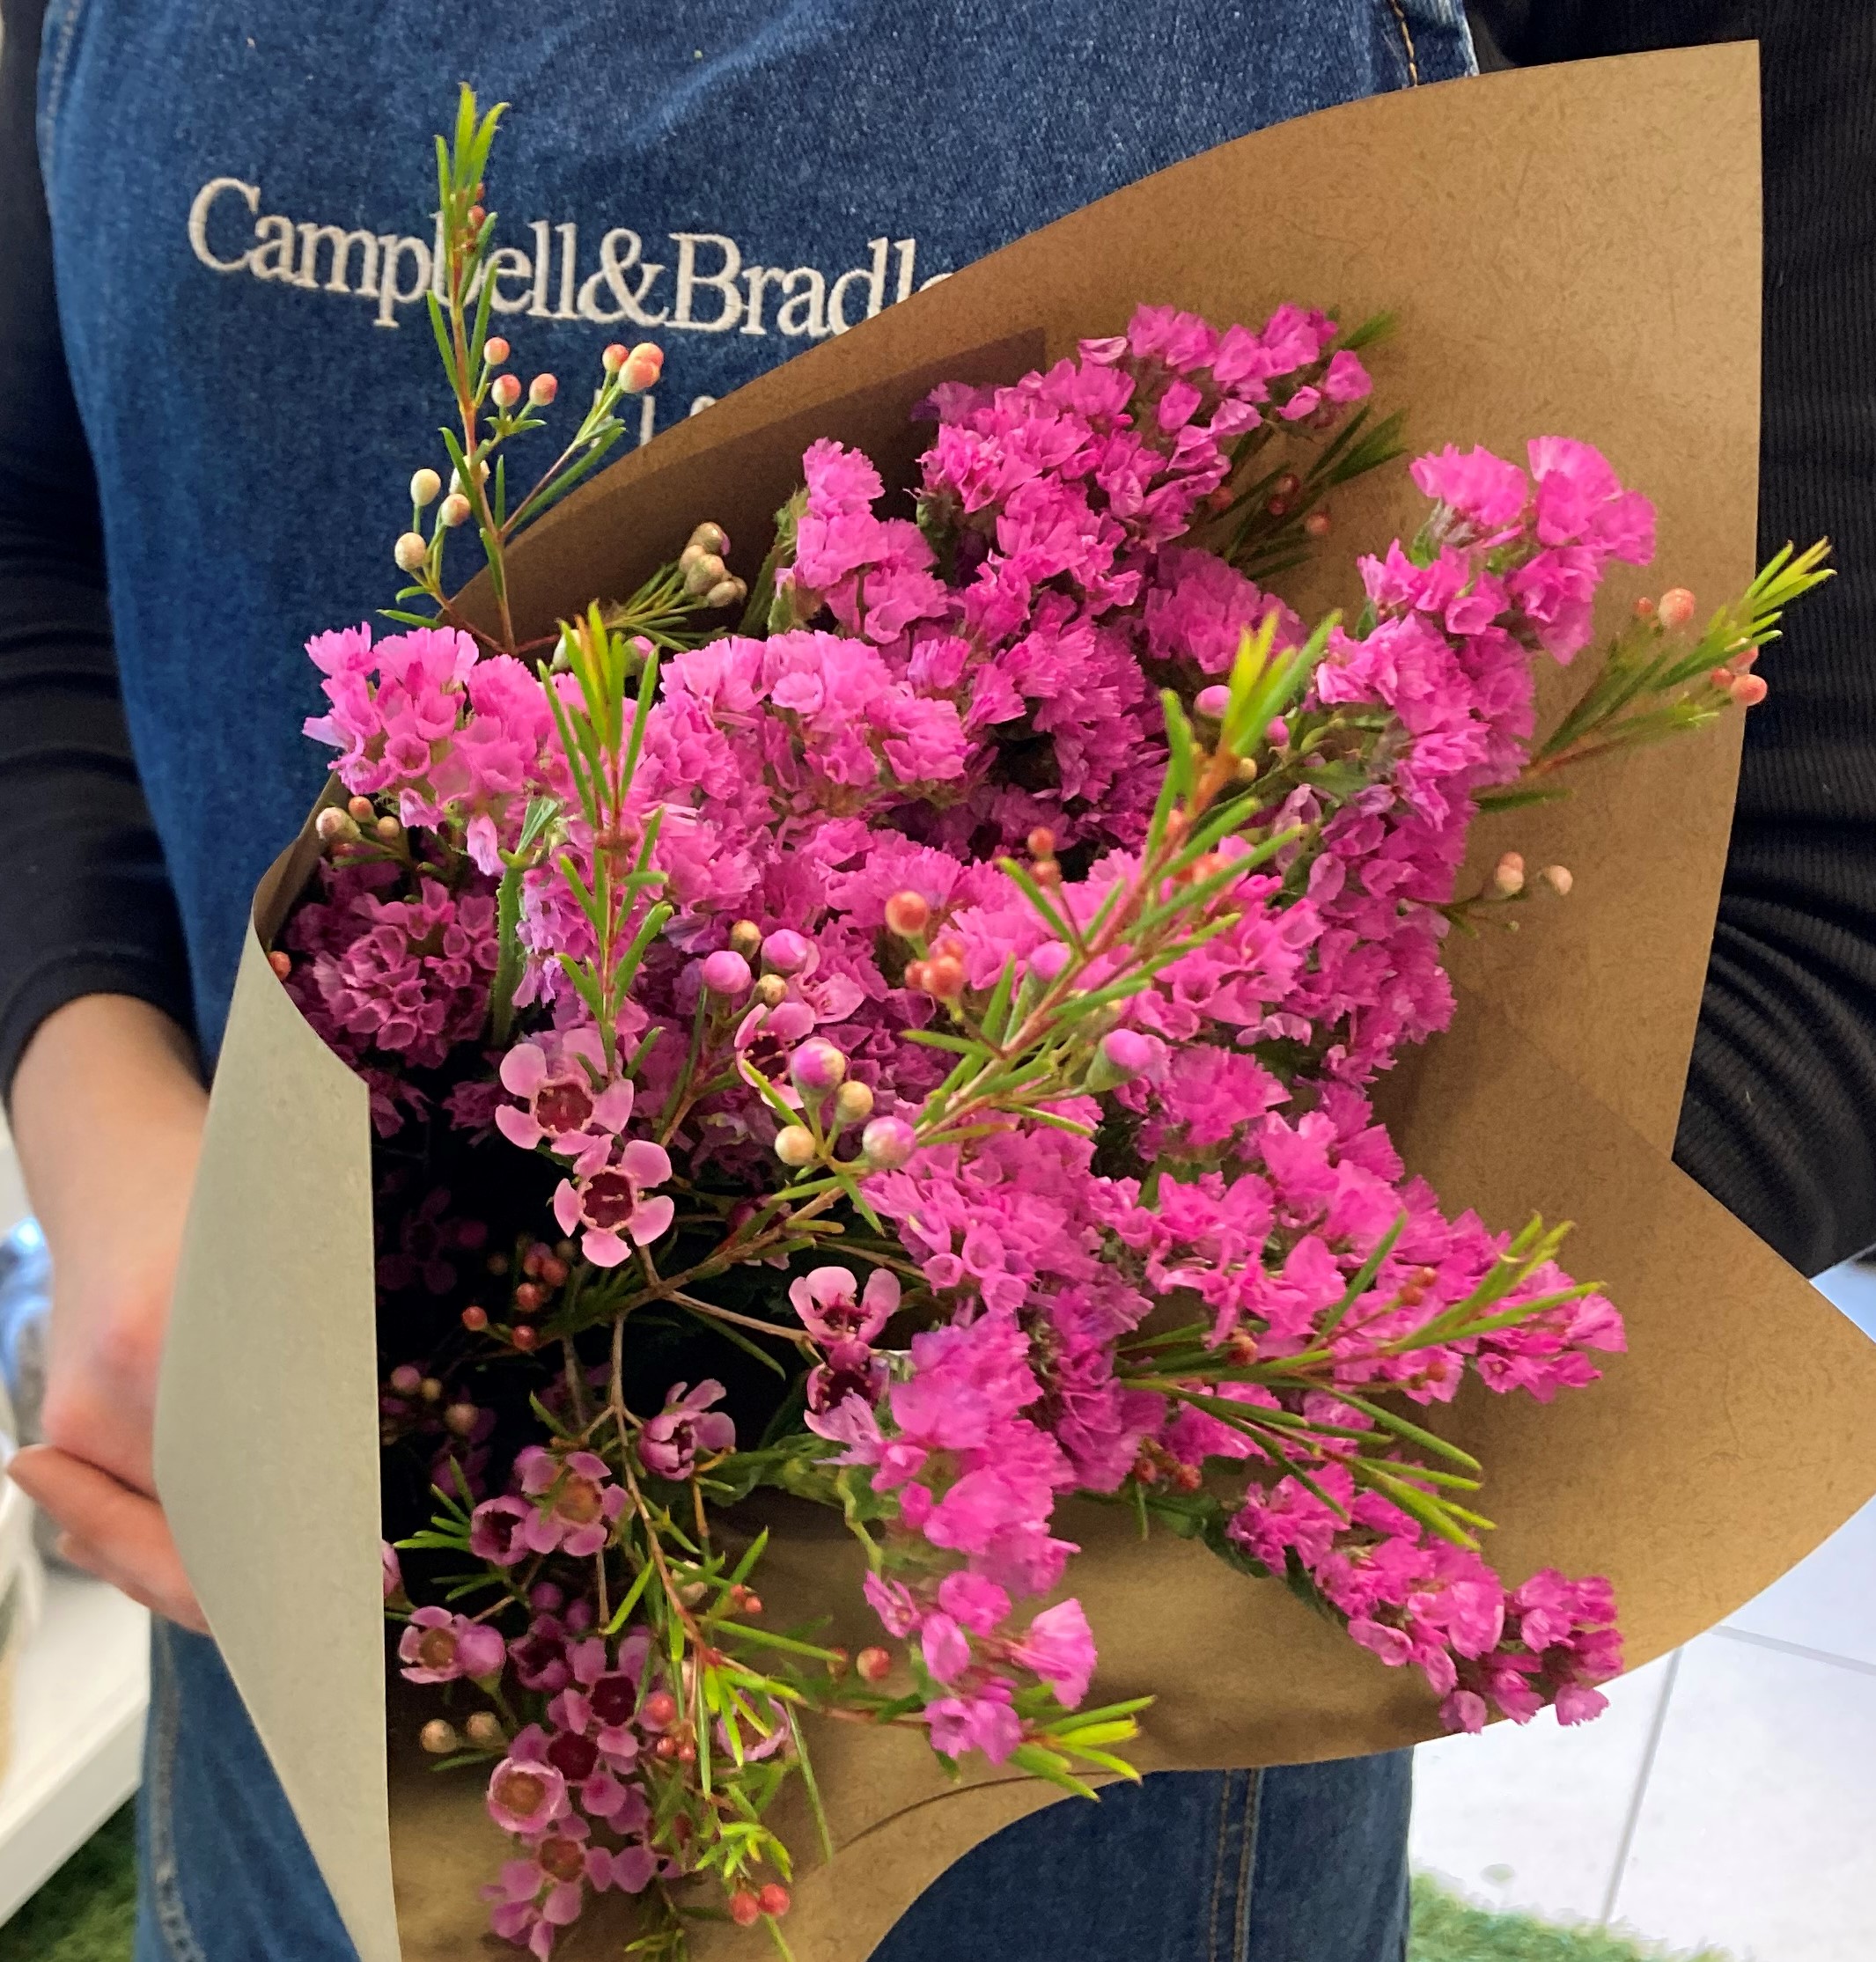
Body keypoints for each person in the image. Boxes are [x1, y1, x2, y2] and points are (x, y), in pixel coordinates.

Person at [0, 6, 1865, 1962]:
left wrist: (1108, 1357)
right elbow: (38, 521)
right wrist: (104, 1122)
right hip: (279, 1674)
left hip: (1067, 1789)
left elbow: (1828, 881)